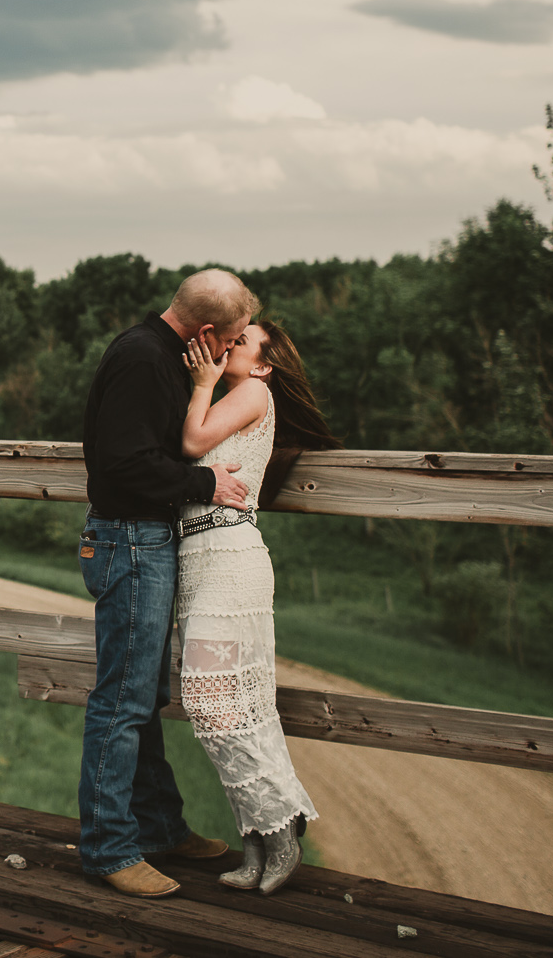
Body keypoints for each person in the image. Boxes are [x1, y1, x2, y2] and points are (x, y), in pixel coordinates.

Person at [77, 268, 258, 899]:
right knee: (121, 701)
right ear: (207, 332)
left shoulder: (156, 354)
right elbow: (123, 462)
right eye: (231, 341)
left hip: (143, 540)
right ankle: (108, 847)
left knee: (144, 695)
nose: (232, 351)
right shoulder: (142, 359)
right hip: (128, 540)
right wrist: (206, 485)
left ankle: (158, 826)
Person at [177, 319, 340, 894]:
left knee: (208, 699)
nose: (226, 345)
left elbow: (191, 446)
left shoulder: (252, 391)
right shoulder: (230, 397)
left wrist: (201, 382)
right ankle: (257, 835)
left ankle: (280, 830)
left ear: (265, 365)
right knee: (241, 705)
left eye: (239, 342)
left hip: (229, 560)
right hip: (199, 562)